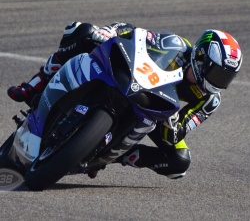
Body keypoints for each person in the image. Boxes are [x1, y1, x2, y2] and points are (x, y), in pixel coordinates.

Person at [7, 22, 243, 179]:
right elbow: (137, 34)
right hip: (138, 81)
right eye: (217, 73)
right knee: (82, 31)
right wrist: (110, 31)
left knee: (179, 163)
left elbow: (179, 131)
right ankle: (34, 85)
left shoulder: (210, 100)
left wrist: (172, 124)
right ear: (200, 57)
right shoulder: (177, 44)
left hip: (160, 114)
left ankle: (118, 155)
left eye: (226, 77)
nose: (219, 81)